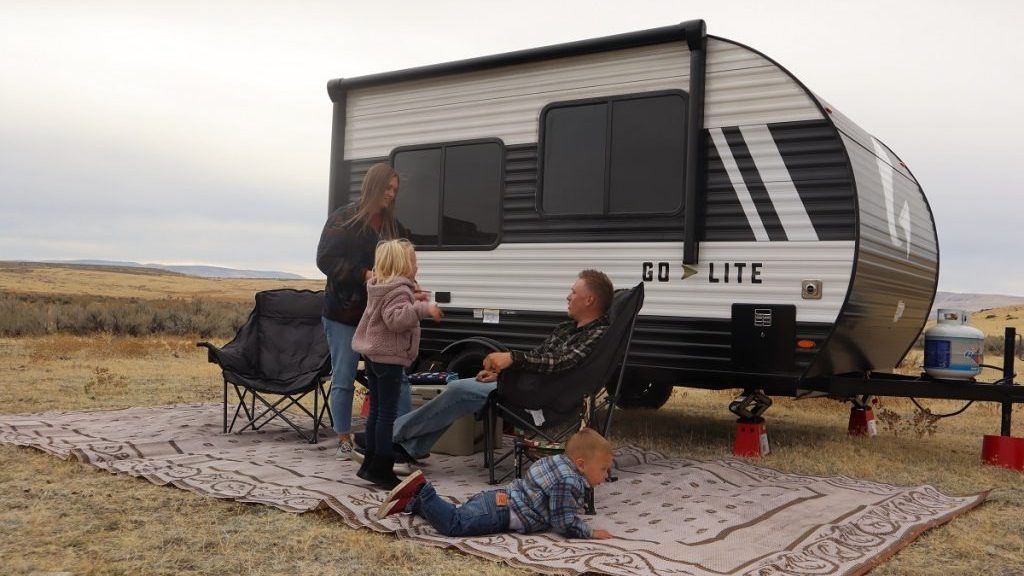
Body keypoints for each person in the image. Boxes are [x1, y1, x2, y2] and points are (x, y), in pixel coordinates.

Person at [370, 269, 614, 462]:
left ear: (590, 299)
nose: (568, 297)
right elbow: (540, 357)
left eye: (573, 292)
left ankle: (386, 436)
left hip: (543, 399)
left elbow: (562, 363)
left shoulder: (598, 334)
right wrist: (502, 373)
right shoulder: (567, 328)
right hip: (527, 387)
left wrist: (511, 358)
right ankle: (410, 447)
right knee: (463, 389)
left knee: (459, 391)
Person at [316, 163, 423, 460]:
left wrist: (413, 289)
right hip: (344, 313)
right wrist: (364, 274)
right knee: (344, 376)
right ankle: (343, 439)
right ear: (373, 186)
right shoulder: (343, 218)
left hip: (382, 315)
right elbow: (325, 259)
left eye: (394, 190)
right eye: (387, 188)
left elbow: (402, 265)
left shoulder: (392, 226)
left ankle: (399, 440)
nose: (391, 194)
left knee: (396, 377)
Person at [377, 427, 615, 540]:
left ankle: (415, 503)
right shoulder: (569, 481)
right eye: (603, 469)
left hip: (498, 499)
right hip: (502, 512)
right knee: (454, 525)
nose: (605, 476)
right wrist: (589, 532)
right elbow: (563, 522)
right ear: (581, 464)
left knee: (457, 514)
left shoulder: (556, 461)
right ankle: (422, 490)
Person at [351, 239, 443, 489]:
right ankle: (382, 466)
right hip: (388, 357)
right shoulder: (400, 289)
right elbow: (396, 320)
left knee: (377, 413)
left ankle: (369, 464)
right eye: (413, 261)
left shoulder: (380, 286)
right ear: (402, 264)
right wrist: (424, 309)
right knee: (387, 416)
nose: (417, 266)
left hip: (373, 356)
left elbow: (391, 311)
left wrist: (413, 301)